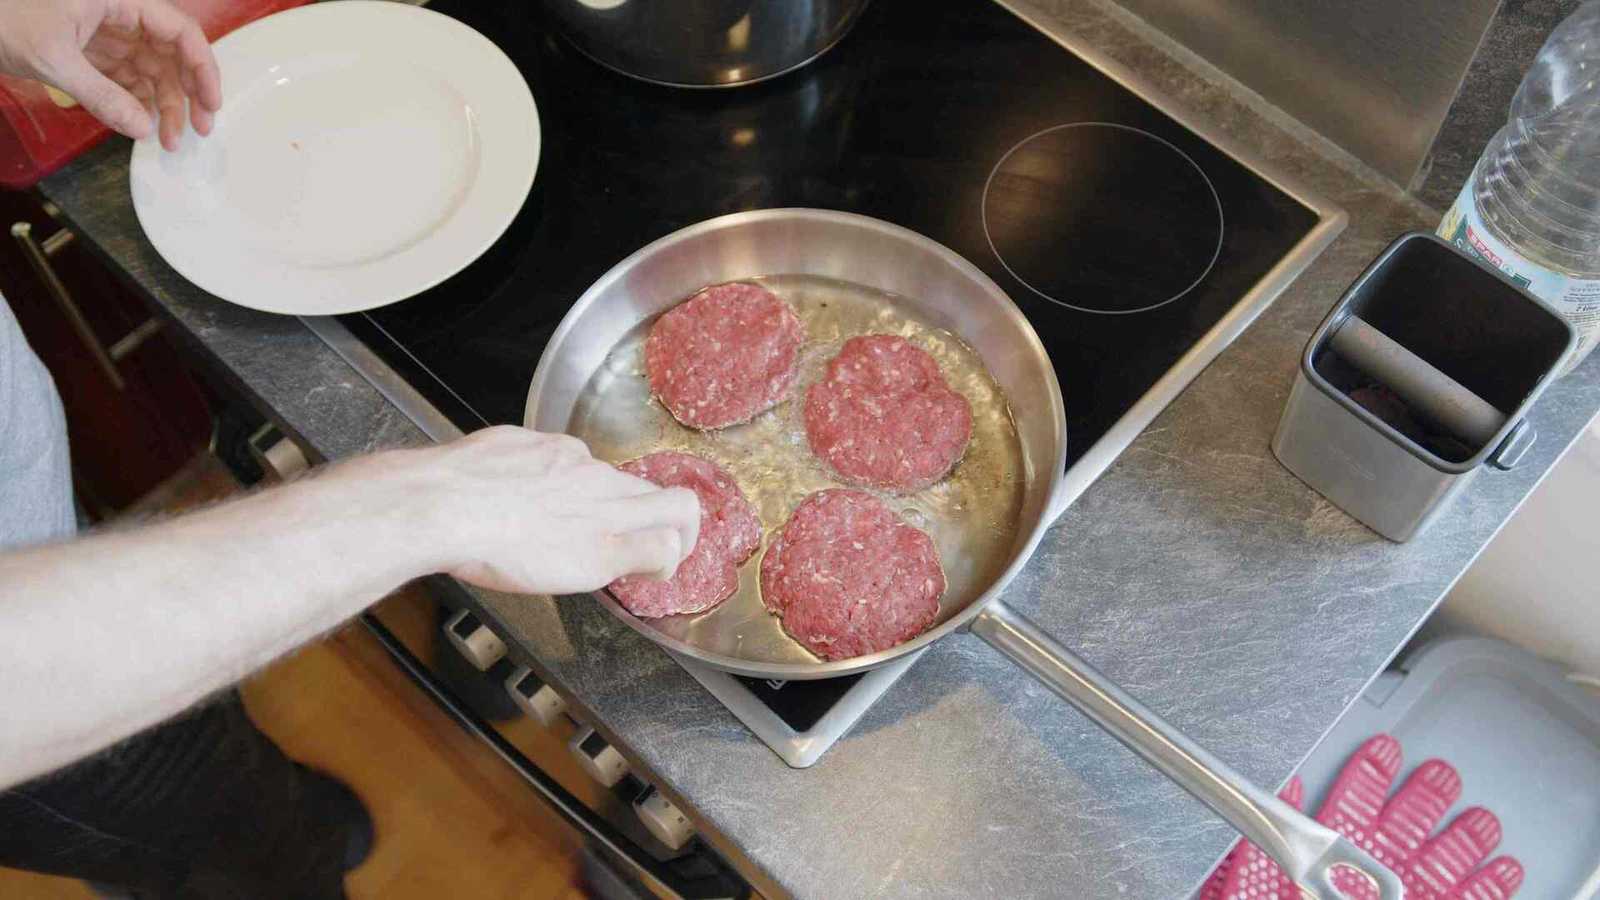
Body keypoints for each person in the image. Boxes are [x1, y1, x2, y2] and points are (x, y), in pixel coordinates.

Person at [0, 1, 701, 895]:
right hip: (36, 731)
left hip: (34, 524)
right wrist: (420, 507)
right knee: (225, 845)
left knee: (222, 768)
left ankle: (278, 812)